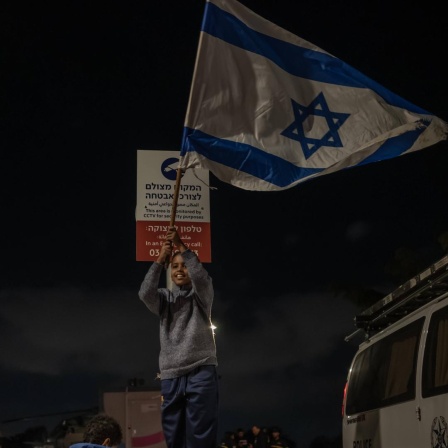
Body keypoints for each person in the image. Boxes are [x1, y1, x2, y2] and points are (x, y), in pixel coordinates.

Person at [138, 226, 219, 448]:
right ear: (170, 271)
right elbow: (145, 293)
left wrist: (182, 246)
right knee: (174, 435)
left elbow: (202, 279)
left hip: (200, 370)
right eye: (175, 267)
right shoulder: (164, 298)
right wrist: (159, 261)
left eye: (184, 266)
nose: (180, 270)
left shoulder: (201, 296)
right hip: (171, 373)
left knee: (200, 432)